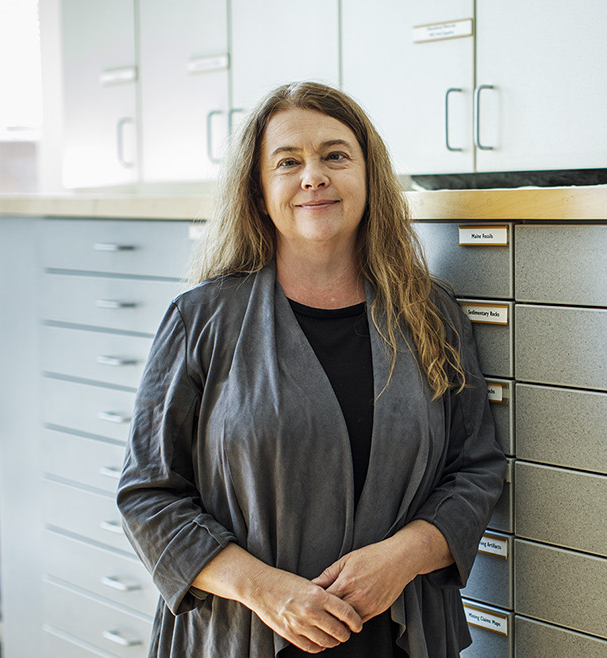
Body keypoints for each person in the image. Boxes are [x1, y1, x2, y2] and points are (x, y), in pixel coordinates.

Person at [117, 82, 506, 658]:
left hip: (399, 637)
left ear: (368, 175)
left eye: (335, 155)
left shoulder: (431, 315)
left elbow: (474, 470)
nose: (313, 176)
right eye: (288, 161)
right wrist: (268, 591)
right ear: (259, 189)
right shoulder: (201, 320)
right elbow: (149, 495)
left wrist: (399, 560)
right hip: (242, 636)